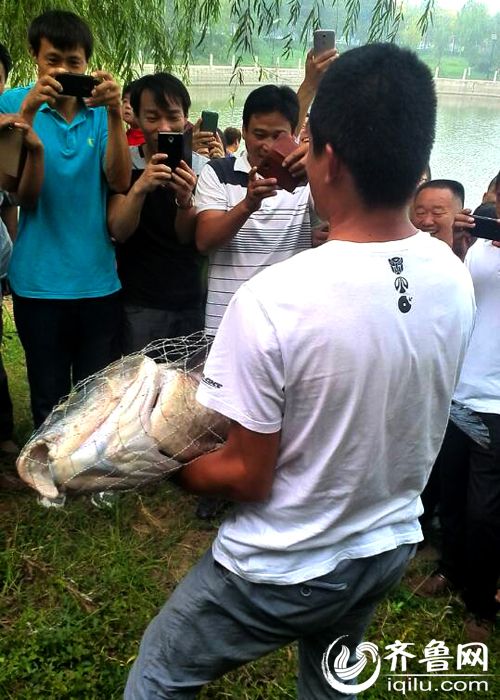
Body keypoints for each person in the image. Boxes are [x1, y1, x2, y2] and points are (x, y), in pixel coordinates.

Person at [125, 43, 475, 699]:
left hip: (281, 565)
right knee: (328, 679)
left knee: (159, 672)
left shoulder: (275, 298)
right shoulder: (453, 276)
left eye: (308, 142)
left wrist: (166, 456)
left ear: (328, 161)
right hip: (384, 545)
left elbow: (243, 474)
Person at [0, 10, 130, 428]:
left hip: (96, 279)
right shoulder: (11, 103)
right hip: (38, 280)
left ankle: (90, 468)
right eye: (52, 59)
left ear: (87, 64)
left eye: (74, 62)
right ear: (34, 57)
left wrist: (114, 116)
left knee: (96, 392)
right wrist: (27, 112)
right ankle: (46, 471)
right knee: (47, 388)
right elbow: (16, 188)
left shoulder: (100, 112)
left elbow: (119, 179)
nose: (63, 70)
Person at [416, 170, 500, 642]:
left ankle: (481, 605)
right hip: (460, 392)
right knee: (452, 493)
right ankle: (449, 569)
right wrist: (460, 244)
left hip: (497, 403)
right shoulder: (480, 251)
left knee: (486, 509)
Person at [195, 84, 312, 337]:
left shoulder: (309, 177)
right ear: (244, 131)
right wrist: (247, 205)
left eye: (277, 135)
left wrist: (318, 166)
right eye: (259, 134)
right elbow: (204, 241)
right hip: (227, 322)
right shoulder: (217, 172)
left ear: (293, 133)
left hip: (291, 323)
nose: (267, 145)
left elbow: (340, 221)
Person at [108, 73, 206, 353]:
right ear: (135, 118)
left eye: (173, 116)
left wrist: (185, 199)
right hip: (139, 301)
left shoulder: (203, 168)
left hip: (189, 299)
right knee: (140, 386)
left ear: (186, 118)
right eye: (152, 117)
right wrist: (140, 188)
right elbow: (119, 230)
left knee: (185, 388)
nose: (164, 126)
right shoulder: (123, 163)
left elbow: (188, 238)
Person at [411, 178, 465, 250]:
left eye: (437, 213)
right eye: (421, 213)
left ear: (461, 215)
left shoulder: (474, 254)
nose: (427, 222)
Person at [121, 80, 144, 146]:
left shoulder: (149, 139)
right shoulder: (125, 136)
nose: (127, 106)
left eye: (133, 102)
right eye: (125, 101)